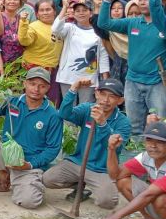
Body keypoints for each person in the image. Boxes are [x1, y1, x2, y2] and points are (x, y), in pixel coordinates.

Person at [0, 68, 63, 208]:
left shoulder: (52, 115)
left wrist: (29, 165)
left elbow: (53, 149)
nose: (36, 89)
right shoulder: (12, 102)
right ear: (25, 84)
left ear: (48, 88)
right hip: (7, 153)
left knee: (29, 201)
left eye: (41, 86)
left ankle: (28, 182)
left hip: (29, 164)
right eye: (32, 83)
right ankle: (4, 173)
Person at [43, 78, 131, 208]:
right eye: (103, 94)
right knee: (48, 179)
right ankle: (80, 186)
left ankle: (104, 185)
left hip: (101, 169)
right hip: (78, 162)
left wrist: (102, 123)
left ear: (120, 101)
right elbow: (64, 114)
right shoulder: (87, 109)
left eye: (112, 96)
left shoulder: (123, 122)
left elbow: (113, 147)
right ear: (96, 93)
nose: (106, 100)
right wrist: (73, 89)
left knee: (107, 202)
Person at [100, 0, 166, 134]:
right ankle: (135, 156)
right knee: (133, 127)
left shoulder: (162, 24)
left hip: (157, 83)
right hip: (132, 81)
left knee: (159, 126)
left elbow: (158, 14)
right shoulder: (133, 22)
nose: (143, 2)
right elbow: (104, 23)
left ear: (156, 1)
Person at [103, 120, 166, 219]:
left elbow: (149, 194)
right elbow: (116, 175)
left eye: (160, 142)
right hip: (156, 196)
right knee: (123, 182)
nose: (153, 146)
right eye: (149, 139)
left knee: (160, 199)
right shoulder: (146, 157)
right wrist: (111, 149)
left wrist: (118, 215)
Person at [53, 0, 110, 103]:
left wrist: (105, 77)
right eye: (77, 11)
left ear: (91, 13)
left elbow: (103, 55)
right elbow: (55, 30)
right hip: (67, 76)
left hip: (89, 77)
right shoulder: (69, 28)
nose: (81, 13)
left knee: (86, 108)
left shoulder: (97, 31)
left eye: (84, 10)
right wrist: (64, 7)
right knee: (68, 107)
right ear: (73, 14)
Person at [18, 0, 63, 104]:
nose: (45, 13)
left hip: (52, 70)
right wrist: (23, 22)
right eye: (41, 10)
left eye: (48, 9)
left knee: (50, 102)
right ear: (37, 14)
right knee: (32, 101)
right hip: (35, 71)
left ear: (54, 11)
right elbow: (24, 41)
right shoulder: (34, 27)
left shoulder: (60, 27)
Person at [0, 0, 25, 64]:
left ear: (20, 3)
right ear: (3, 2)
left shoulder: (22, 19)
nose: (12, 1)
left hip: (18, 63)